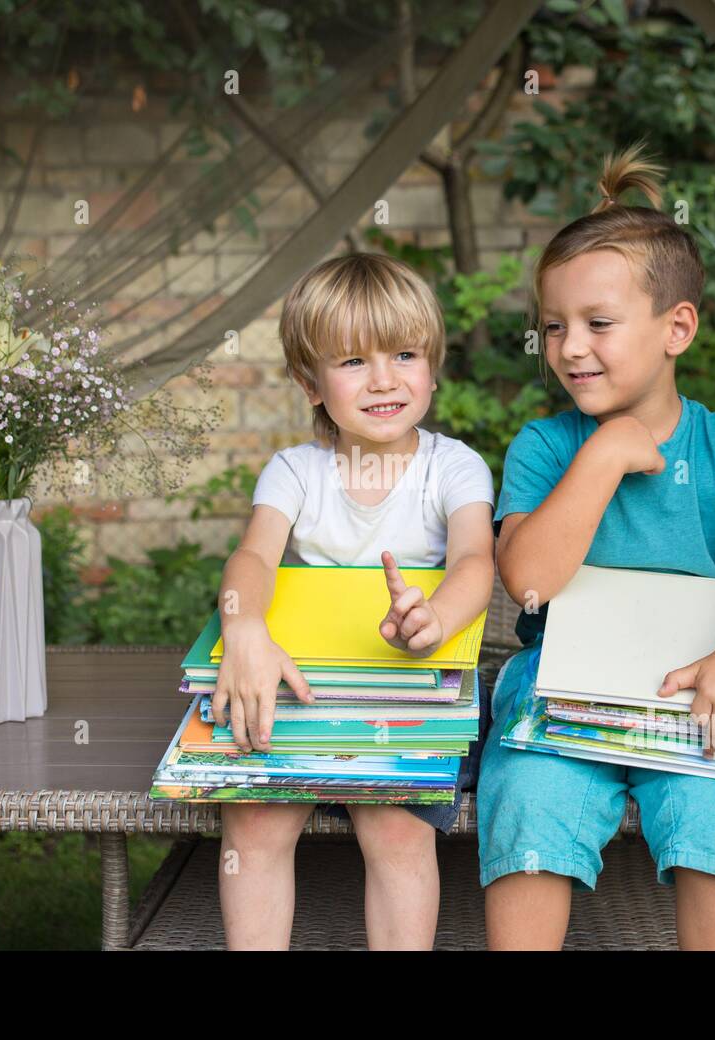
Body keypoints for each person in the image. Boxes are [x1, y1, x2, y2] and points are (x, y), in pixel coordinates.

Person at [479, 144, 715, 950]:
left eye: (598, 324)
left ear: (678, 328)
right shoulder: (544, 446)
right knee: (531, 797)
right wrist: (602, 455)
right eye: (554, 327)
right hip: (560, 688)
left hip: (695, 680)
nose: (568, 348)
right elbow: (528, 580)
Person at [213, 252, 495, 949]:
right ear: (310, 382)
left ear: (432, 366)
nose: (383, 380)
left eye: (404, 354)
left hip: (410, 693)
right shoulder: (294, 472)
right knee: (251, 822)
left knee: (394, 822)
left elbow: (474, 561)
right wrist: (244, 631)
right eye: (352, 362)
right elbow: (252, 557)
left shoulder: (452, 467)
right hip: (310, 693)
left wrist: (436, 616)